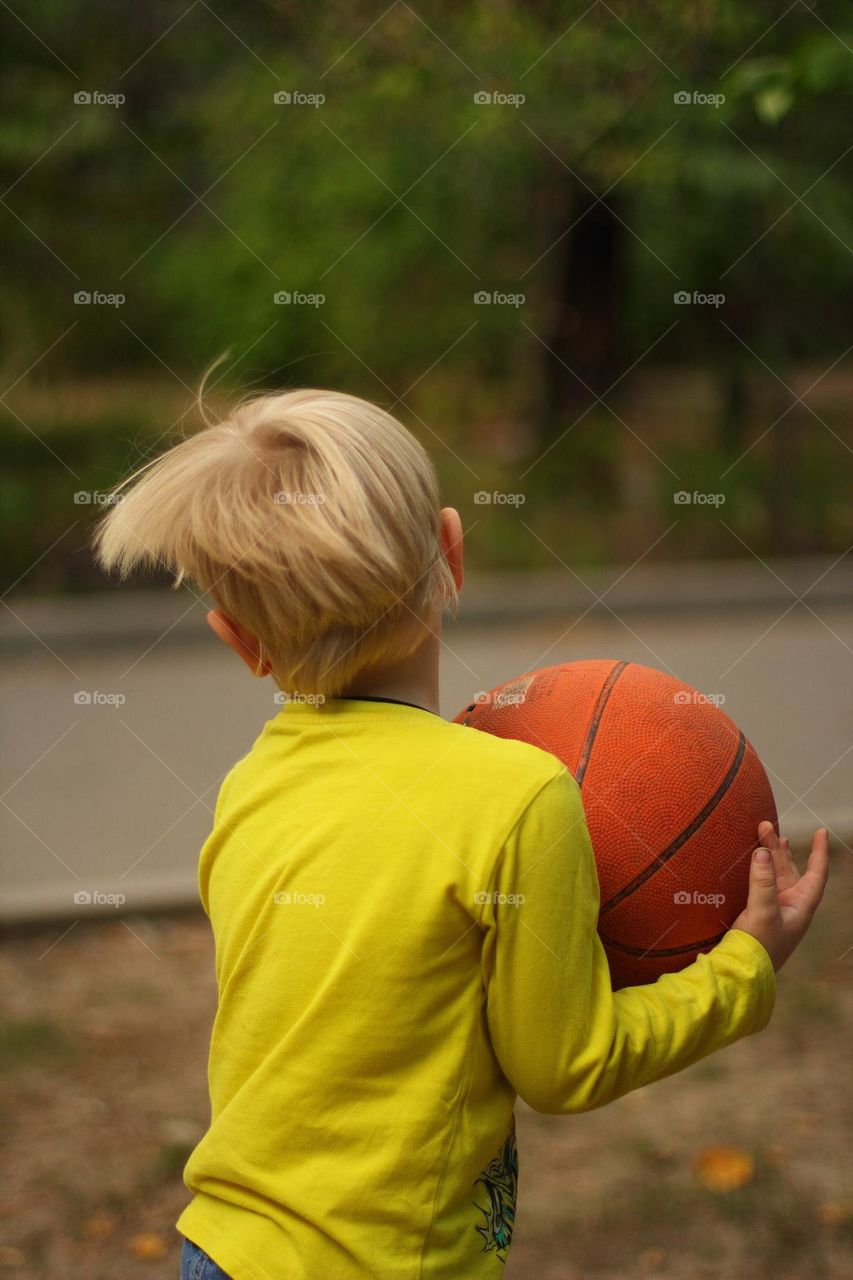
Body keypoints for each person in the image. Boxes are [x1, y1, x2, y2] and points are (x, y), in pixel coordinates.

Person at [94, 388, 829, 1280]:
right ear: (451, 551)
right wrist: (744, 966)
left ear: (239, 640)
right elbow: (565, 1065)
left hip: (220, 1249)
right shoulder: (518, 797)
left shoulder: (248, 790)